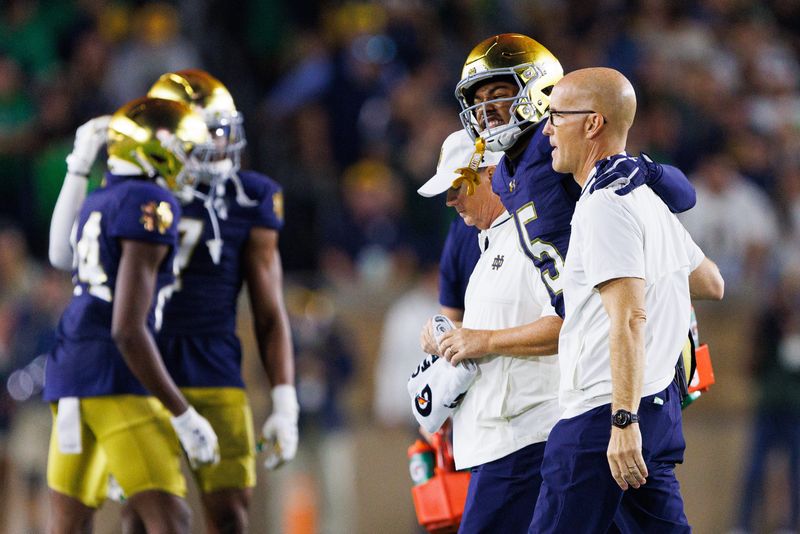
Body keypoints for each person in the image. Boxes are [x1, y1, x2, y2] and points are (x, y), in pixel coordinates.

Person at [50, 69, 299, 534]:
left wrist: (286, 401)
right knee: (146, 516)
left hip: (211, 361)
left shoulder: (251, 195)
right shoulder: (143, 187)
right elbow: (68, 254)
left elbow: (269, 308)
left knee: (228, 515)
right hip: (141, 365)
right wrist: (79, 166)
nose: (220, 145)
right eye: (208, 132)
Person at [529, 67, 724, 533]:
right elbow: (711, 281)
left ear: (593, 123)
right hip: (656, 411)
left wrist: (622, 419)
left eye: (556, 115)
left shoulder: (603, 205)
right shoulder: (646, 199)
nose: (547, 129)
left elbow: (631, 316)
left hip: (605, 417)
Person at [44, 96, 220, 534]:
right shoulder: (149, 201)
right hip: (116, 376)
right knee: (170, 521)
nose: (189, 162)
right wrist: (182, 413)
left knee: (70, 523)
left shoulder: (106, 195)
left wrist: (78, 165)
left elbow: (58, 254)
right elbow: (127, 328)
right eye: (182, 149)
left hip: (69, 371)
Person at [454, 33, 697, 318]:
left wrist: (649, 172)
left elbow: (684, 196)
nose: (485, 111)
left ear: (540, 91)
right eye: (479, 100)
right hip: (578, 319)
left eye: (498, 96)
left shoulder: (560, 144)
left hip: (623, 312)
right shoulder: (502, 177)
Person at [417, 129, 563, 533]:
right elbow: (496, 327)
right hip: (498, 442)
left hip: (523, 437)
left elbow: (567, 323)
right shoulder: (489, 243)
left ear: (492, 172)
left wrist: (482, 340)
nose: (450, 200)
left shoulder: (530, 235)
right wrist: (451, 335)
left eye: (458, 186)